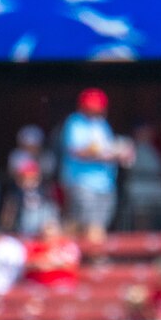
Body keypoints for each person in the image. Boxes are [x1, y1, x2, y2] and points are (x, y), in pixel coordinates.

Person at [59, 88, 124, 255]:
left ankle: (86, 256)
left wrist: (119, 152)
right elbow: (77, 150)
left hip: (105, 183)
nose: (95, 110)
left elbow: (109, 149)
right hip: (81, 182)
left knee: (98, 224)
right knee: (86, 223)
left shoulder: (102, 125)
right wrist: (102, 153)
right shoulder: (75, 122)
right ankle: (91, 258)